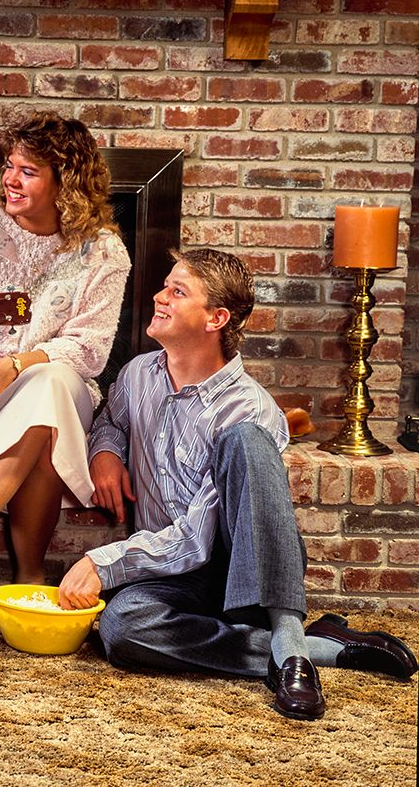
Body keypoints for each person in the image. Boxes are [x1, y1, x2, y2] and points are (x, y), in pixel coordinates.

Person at [58, 248, 417, 720]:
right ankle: (318, 648)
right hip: (172, 573)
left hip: (241, 570)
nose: (158, 296)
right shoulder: (136, 376)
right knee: (122, 627)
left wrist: (106, 562)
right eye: (166, 285)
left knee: (245, 440)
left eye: (177, 291)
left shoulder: (250, 408)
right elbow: (112, 424)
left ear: (216, 318)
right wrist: (106, 452)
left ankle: (290, 650)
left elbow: (198, 536)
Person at [0, 112, 131, 588]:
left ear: (67, 184)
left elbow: (89, 349)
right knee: (45, 419)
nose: (9, 180)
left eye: (28, 171)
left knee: (50, 386)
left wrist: (14, 366)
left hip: (58, 386)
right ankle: (30, 577)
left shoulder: (104, 251)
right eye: (10, 166)